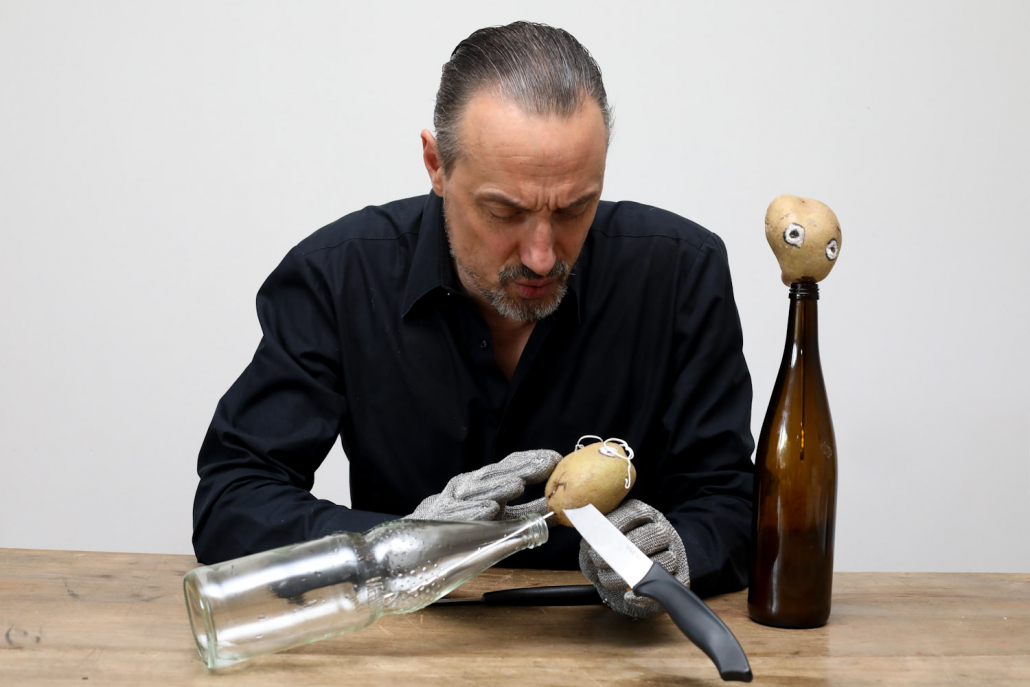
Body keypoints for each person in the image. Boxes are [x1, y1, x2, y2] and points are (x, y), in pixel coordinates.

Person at [193, 21, 754, 619]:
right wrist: (399, 546)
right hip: (403, 646)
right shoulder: (337, 275)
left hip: (613, 644)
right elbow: (233, 500)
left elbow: (731, 503)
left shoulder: (681, 273)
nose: (542, 256)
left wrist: (675, 553)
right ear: (436, 165)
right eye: (504, 211)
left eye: (575, 208)